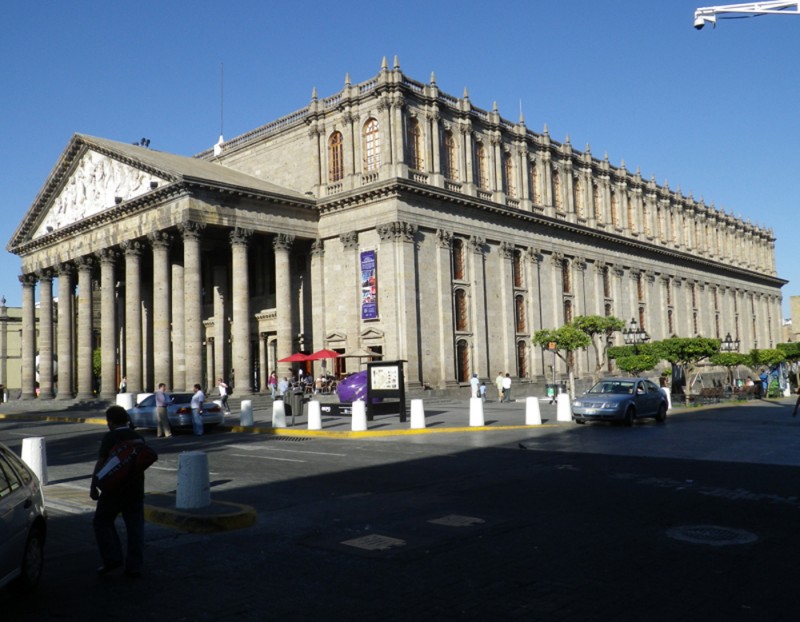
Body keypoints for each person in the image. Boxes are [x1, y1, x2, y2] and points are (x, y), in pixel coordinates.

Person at [90, 405, 147, 577]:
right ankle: (134, 566)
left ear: (110, 422)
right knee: (135, 529)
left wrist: (94, 485)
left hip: (113, 489)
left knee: (102, 522)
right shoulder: (138, 437)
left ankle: (112, 558)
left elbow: (101, 462)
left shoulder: (111, 437)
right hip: (135, 489)